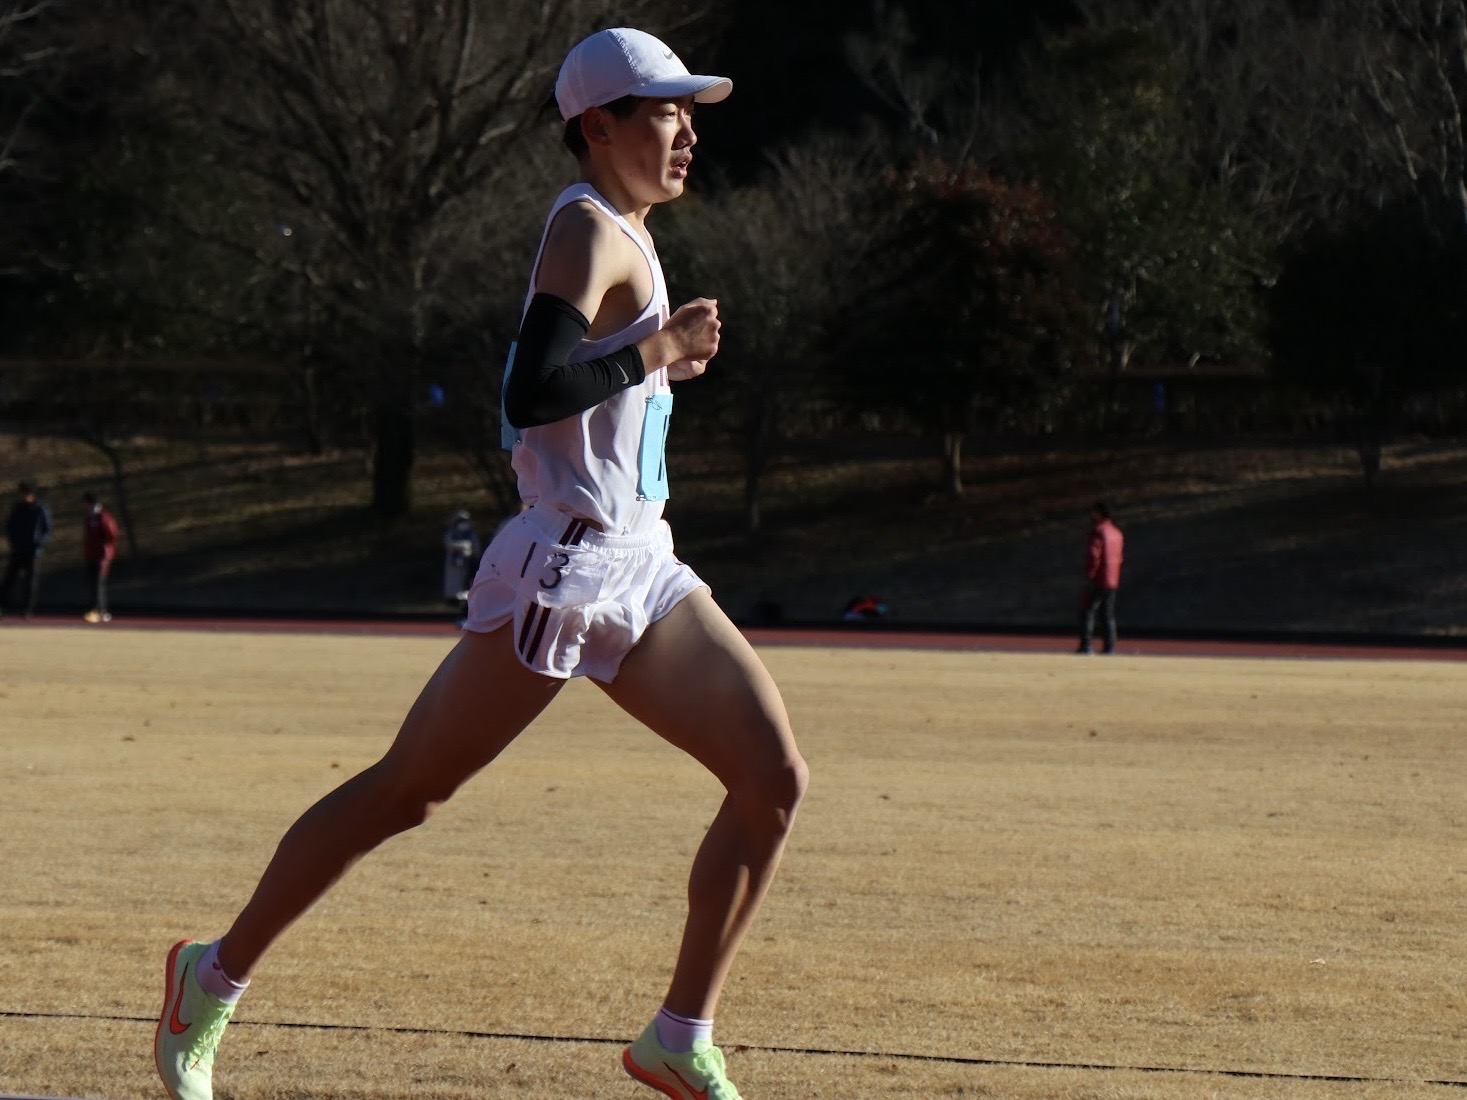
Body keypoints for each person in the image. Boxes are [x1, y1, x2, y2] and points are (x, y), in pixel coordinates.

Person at [156, 27, 807, 1100]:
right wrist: (658, 349)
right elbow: (533, 392)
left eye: (691, 111)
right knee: (408, 791)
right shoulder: (588, 231)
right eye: (663, 110)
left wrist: (665, 359)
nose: (687, 129)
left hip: (640, 565)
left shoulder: (632, 235)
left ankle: (678, 1034)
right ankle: (208, 977)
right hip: (561, 568)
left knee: (773, 777)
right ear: (598, 125)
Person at [1078, 500, 1124, 654]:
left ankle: (1086, 645)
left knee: (1087, 610)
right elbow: (1119, 556)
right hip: (1112, 578)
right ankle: (1109, 647)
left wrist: (1089, 576)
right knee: (1107, 614)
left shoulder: (1098, 531)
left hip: (1099, 577)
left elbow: (1094, 555)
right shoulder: (1117, 533)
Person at [1, 480, 52, 619]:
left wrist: (38, 542)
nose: (23, 497)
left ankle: (27, 610)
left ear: (32, 495)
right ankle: (3, 607)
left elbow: (47, 529)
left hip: (33, 552)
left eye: (25, 494)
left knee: (30, 582)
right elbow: (10, 526)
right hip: (18, 549)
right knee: (9, 580)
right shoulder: (17, 508)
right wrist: (13, 541)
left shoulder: (40, 509)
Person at [82, 491, 120, 623]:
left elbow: (112, 535)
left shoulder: (103, 516)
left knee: (99, 583)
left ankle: (100, 611)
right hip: (92, 554)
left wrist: (106, 550)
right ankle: (97, 610)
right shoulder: (89, 517)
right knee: (93, 584)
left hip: (102, 556)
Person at [441, 509, 480, 603]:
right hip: (454, 564)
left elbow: (476, 547)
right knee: (454, 581)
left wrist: (474, 554)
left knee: (467, 580)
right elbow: (449, 543)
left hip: (468, 562)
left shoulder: (471, 534)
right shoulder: (452, 533)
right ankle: (452, 598)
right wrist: (464, 545)